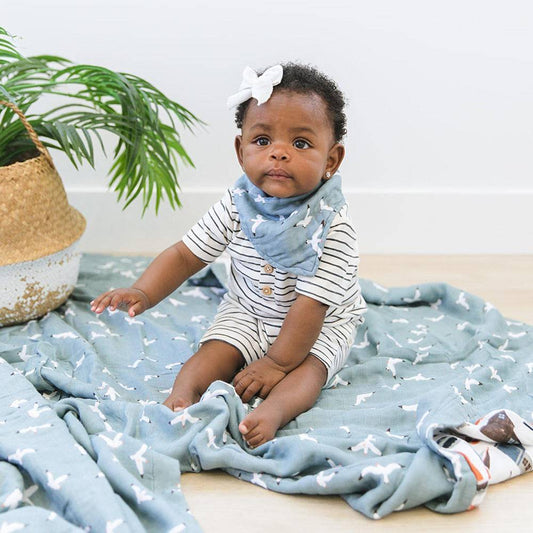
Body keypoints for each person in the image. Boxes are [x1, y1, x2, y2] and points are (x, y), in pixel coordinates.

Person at [90, 62, 366, 448]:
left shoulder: (331, 226)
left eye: (300, 144)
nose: (279, 154)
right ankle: (182, 396)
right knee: (214, 350)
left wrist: (277, 364)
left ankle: (273, 412)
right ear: (241, 150)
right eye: (263, 141)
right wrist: (144, 291)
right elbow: (186, 255)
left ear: (331, 161)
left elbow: (311, 305)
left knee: (311, 372)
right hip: (249, 309)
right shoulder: (238, 203)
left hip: (321, 321)